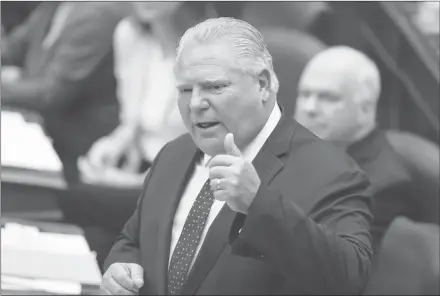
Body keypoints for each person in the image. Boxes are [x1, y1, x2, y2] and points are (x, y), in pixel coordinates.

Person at [101, 18, 373, 295]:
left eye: (214, 87)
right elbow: (133, 240)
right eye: (184, 90)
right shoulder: (174, 153)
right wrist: (122, 267)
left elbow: (350, 277)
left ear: (263, 84)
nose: (195, 103)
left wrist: (258, 204)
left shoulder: (330, 171)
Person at [294, 46, 438, 251]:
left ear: (365, 108)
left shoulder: (377, 188)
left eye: (328, 98)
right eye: (304, 94)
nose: (310, 108)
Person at [80, 1, 218, 187]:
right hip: (141, 172)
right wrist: (113, 145)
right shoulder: (130, 34)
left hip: (189, 187)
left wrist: (133, 183)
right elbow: (130, 123)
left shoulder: (216, 54)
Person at [1, 2, 130, 185]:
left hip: (77, 155)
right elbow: (14, 47)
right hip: (43, 134)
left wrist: (16, 80)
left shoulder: (99, 13)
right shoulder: (55, 5)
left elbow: (51, 93)